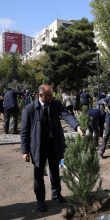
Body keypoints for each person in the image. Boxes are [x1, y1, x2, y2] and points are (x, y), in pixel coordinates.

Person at [21, 84, 85, 212]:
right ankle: (40, 200)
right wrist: (25, 151)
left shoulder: (56, 104)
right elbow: (24, 131)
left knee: (55, 169)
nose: (52, 97)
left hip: (54, 143)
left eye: (52, 95)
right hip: (38, 145)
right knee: (38, 173)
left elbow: (67, 116)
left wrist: (77, 127)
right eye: (49, 95)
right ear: (40, 95)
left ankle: (56, 194)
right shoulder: (29, 109)